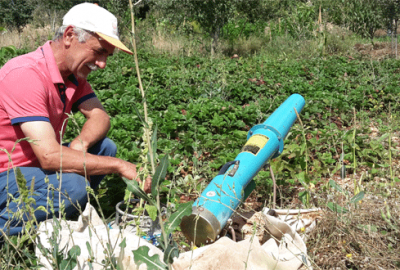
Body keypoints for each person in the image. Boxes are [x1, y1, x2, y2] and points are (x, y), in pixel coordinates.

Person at [0, 3, 150, 236]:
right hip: (8, 174)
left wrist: (81, 143)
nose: (102, 64)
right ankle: (7, 229)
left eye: (107, 56)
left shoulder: (71, 74)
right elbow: (49, 156)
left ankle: (60, 216)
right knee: (74, 185)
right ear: (69, 36)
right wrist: (119, 165)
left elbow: (100, 116)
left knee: (105, 147)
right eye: (99, 51)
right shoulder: (25, 74)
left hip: (37, 167)